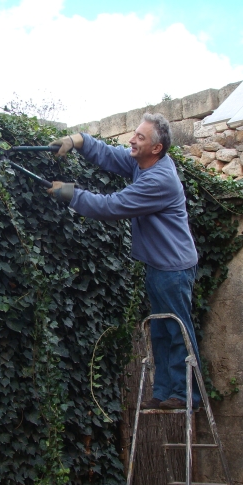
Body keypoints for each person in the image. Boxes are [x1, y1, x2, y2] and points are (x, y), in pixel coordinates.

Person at [47, 113, 201, 410]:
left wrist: (69, 193)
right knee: (160, 329)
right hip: (159, 264)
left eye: (140, 137)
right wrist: (77, 140)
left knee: (177, 331)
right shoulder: (143, 162)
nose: (132, 140)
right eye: (135, 133)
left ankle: (186, 396)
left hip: (174, 267)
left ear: (156, 148)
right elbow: (112, 155)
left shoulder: (159, 180)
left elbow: (112, 206)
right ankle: (166, 391)